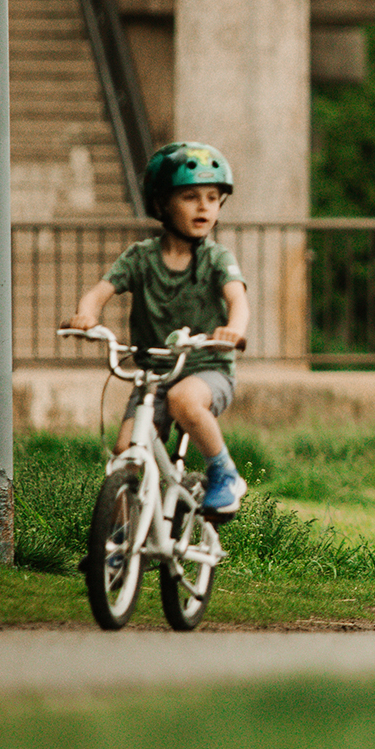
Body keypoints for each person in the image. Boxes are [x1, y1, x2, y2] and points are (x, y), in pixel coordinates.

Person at [67, 142, 251, 517]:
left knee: (184, 399)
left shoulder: (217, 259)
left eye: (213, 197)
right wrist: (85, 316)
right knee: (124, 453)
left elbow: (238, 301)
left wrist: (233, 329)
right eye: (190, 197)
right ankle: (120, 541)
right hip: (153, 374)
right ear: (162, 204)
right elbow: (98, 294)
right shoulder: (140, 258)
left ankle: (224, 473)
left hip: (206, 369)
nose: (204, 206)